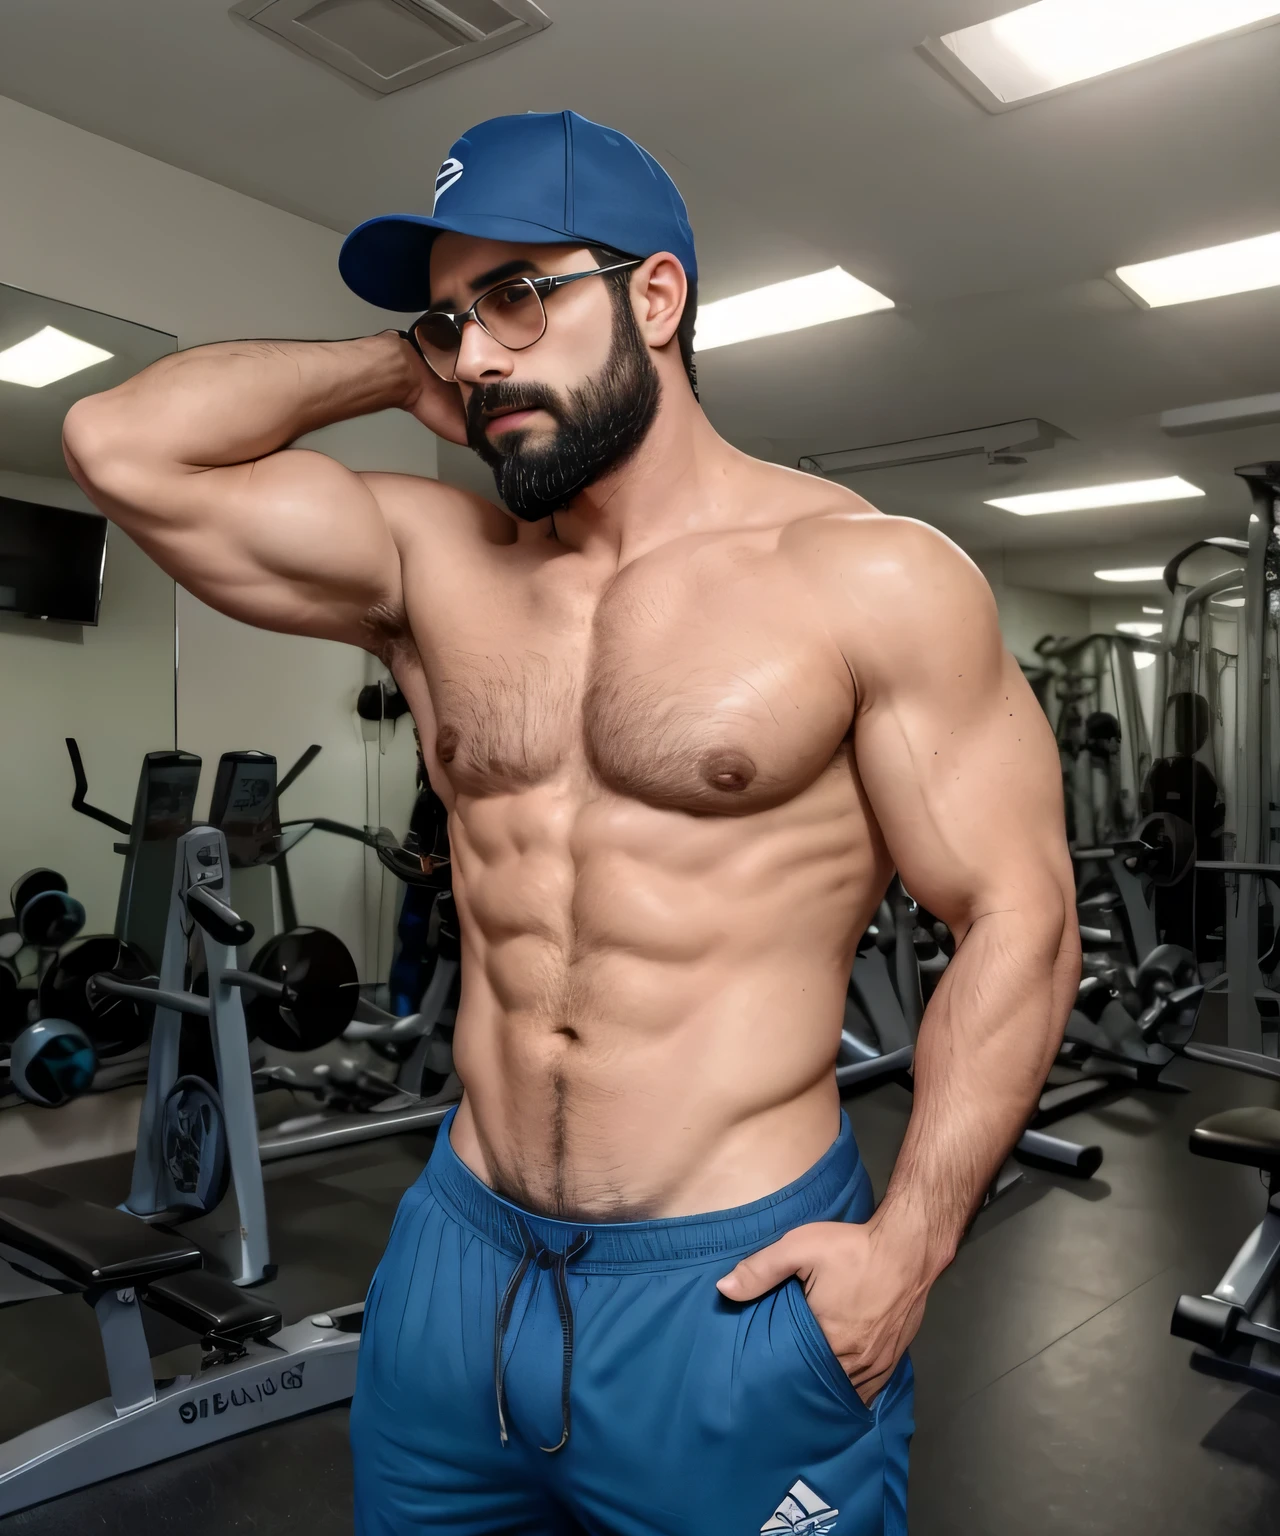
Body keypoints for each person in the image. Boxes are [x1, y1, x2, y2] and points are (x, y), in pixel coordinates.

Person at [63, 110, 1079, 1536]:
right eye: (451, 320)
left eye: (521, 297)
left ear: (655, 298)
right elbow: (119, 445)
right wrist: (401, 358)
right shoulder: (440, 567)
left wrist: (907, 1249)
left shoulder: (868, 577)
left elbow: (1017, 915)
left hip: (727, 1287)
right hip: (452, 1272)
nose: (478, 357)